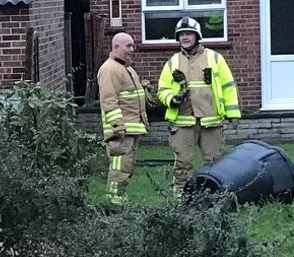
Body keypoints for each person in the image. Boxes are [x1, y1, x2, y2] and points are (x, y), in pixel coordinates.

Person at [156, 17, 240, 189]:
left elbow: (228, 87)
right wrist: (172, 99)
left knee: (214, 165)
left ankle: (212, 202)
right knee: (182, 166)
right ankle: (181, 203)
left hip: (211, 121)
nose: (185, 38)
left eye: (188, 34)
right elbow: (162, 90)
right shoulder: (172, 62)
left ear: (197, 36)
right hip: (182, 123)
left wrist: (233, 114)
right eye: (181, 35)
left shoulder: (215, 59)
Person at [95, 31, 148, 205]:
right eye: (128, 46)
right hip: (120, 133)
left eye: (132, 45)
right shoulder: (110, 69)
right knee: (119, 168)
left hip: (130, 130)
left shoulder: (126, 68)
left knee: (126, 168)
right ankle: (113, 204)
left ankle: (119, 200)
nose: (132, 50)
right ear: (116, 47)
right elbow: (109, 100)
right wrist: (117, 128)